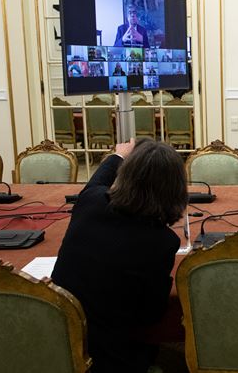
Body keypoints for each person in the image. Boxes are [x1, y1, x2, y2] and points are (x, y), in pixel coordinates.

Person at [51, 138, 187, 372]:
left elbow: (97, 182)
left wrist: (119, 155)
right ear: (175, 190)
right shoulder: (162, 241)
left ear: (124, 175)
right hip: (109, 360)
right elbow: (150, 316)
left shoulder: (90, 202)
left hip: (56, 346)